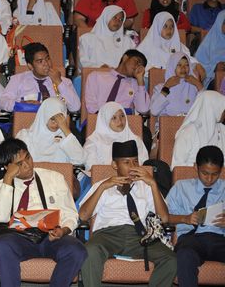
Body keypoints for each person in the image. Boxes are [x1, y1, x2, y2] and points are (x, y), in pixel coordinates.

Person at [79, 140, 177, 286]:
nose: (132, 166)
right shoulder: (103, 185)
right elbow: (83, 216)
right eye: (126, 162)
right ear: (115, 165)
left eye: (135, 161)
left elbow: (164, 218)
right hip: (108, 235)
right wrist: (102, 187)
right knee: (90, 250)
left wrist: (153, 184)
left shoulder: (146, 186)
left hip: (139, 235)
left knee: (171, 259)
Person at [0, 138, 86, 286]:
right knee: (2, 245)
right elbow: (1, 218)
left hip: (51, 237)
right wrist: (8, 179)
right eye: (19, 164)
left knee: (77, 250)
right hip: (19, 238)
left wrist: (64, 230)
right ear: (7, 167)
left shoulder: (54, 178)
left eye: (28, 157)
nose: (27, 165)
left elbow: (70, 213)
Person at [167, 145, 225, 286]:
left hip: (220, 239)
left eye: (215, 174)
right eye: (205, 173)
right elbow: (164, 217)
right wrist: (184, 218)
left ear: (221, 170)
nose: (209, 179)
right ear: (195, 167)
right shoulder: (181, 187)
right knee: (185, 255)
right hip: (191, 239)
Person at [0, 42, 80, 112]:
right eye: (40, 61)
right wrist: (21, 104)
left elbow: (75, 107)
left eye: (47, 59)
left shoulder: (64, 82)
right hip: (27, 121)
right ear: (30, 66)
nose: (46, 64)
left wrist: (59, 82)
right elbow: (3, 102)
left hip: (56, 123)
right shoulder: (17, 80)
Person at [16, 98, 85, 166]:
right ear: (44, 116)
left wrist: (66, 130)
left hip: (59, 173)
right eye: (52, 118)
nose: (55, 123)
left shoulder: (67, 138)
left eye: (60, 120)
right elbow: (17, 162)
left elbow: (80, 160)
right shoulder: (25, 136)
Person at [83, 102, 149, 172]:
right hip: (103, 177)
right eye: (114, 118)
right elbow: (92, 169)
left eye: (122, 116)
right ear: (105, 120)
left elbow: (143, 164)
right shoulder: (93, 142)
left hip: (133, 177)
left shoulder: (135, 139)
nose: (120, 121)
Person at [83, 49, 150, 115]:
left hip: (122, 120)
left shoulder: (135, 84)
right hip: (98, 118)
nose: (137, 67)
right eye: (137, 61)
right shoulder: (96, 76)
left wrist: (140, 80)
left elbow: (143, 109)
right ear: (125, 58)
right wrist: (105, 117)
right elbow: (91, 106)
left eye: (140, 66)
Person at [172, 91, 225, 169]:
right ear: (214, 109)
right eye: (224, 111)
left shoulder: (221, 128)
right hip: (189, 174)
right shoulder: (187, 133)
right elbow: (177, 166)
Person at [150, 52, 202, 117]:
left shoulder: (194, 86)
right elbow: (153, 112)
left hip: (190, 122)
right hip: (168, 122)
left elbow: (206, 107)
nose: (183, 68)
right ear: (172, 66)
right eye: (179, 65)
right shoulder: (160, 87)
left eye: (186, 65)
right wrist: (166, 87)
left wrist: (198, 84)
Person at [194, 10, 225, 87]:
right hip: (213, 80)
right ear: (219, 22)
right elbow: (197, 65)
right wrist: (214, 68)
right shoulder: (209, 43)